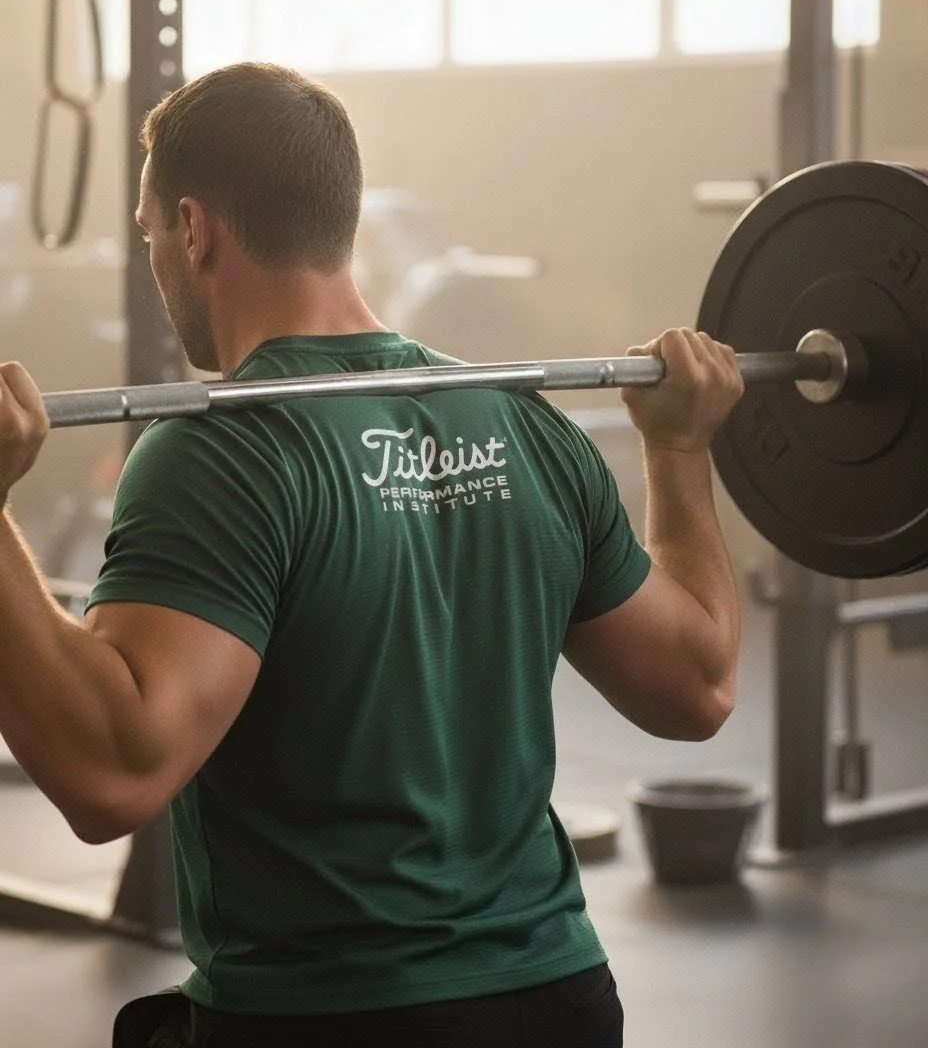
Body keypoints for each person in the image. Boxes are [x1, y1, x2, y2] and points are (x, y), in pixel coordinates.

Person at [0, 62, 744, 1048]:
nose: (155, 260)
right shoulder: (523, 423)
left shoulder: (221, 450)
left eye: (147, 238)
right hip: (558, 998)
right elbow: (697, 684)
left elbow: (110, 772)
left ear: (192, 227)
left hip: (339, 1017)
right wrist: (679, 449)